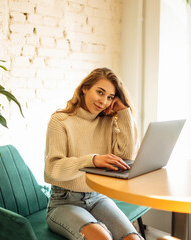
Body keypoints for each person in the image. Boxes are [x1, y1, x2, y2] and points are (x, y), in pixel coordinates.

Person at [44, 67, 143, 240]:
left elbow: (127, 156)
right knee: (101, 238)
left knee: (132, 239)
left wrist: (123, 112)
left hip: (98, 198)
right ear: (85, 88)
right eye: (100, 92)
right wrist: (92, 160)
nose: (103, 101)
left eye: (110, 97)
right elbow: (53, 168)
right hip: (64, 201)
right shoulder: (60, 121)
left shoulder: (107, 121)